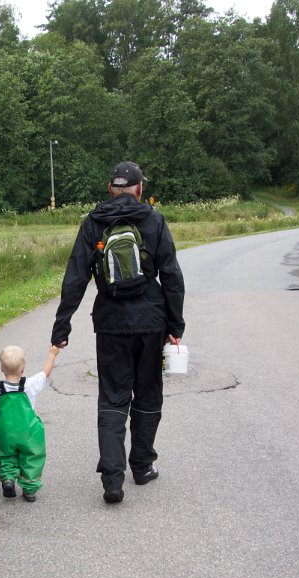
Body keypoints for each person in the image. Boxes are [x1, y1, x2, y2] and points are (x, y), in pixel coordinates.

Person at [51, 161, 185, 504]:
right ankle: (141, 465)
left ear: (110, 189)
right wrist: (175, 324)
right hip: (151, 321)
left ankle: (113, 479)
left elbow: (75, 277)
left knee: (112, 396)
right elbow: (171, 275)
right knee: (149, 393)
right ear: (140, 189)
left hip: (110, 321)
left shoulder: (93, 222)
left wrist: (62, 326)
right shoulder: (153, 219)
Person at [0, 345, 60, 502]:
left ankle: (8, 479)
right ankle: (30, 490)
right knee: (32, 457)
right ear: (23, 369)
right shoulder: (30, 385)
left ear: (1, 369)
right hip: (29, 433)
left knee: (6, 455)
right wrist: (52, 354)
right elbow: (46, 373)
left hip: (5, 433)